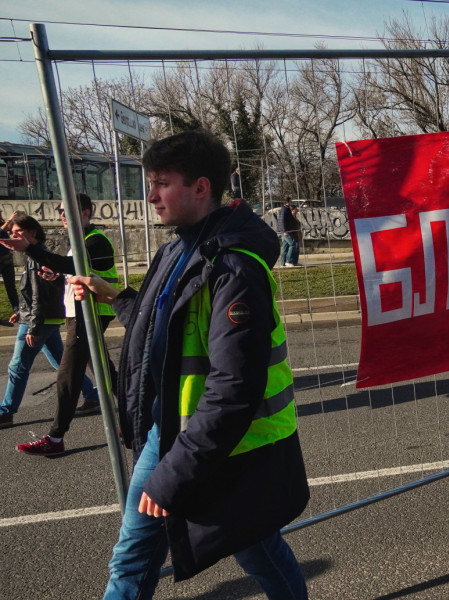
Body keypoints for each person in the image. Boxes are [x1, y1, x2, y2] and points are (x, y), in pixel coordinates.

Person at [70, 129, 309, 599]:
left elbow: (232, 388)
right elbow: (163, 325)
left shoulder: (233, 269)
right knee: (241, 546)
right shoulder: (178, 248)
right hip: (176, 433)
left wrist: (172, 475)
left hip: (212, 446)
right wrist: (117, 296)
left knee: (221, 550)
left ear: (201, 188)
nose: (151, 195)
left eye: (161, 183)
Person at [1, 192, 119, 455]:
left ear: (86, 214)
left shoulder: (95, 240)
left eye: (66, 211)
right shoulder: (79, 241)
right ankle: (135, 417)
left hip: (91, 312)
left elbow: (71, 265)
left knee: (67, 374)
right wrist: (57, 278)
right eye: (60, 211)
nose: (61, 216)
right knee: (103, 369)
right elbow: (73, 271)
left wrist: (30, 249)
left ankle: (55, 438)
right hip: (81, 311)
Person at [0, 215, 97, 429]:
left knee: (17, 366)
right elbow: (34, 294)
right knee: (62, 362)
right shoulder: (35, 256)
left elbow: (39, 296)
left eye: (17, 232)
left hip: (39, 320)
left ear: (32, 233)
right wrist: (21, 312)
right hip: (43, 318)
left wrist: (33, 326)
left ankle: (5, 412)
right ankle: (92, 396)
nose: (13, 236)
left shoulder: (37, 257)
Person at [0, 210, 20, 317]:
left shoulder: (2, 223)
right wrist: (9, 220)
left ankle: (17, 310)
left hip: (6, 259)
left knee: (11, 287)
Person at [277, 198, 298, 267]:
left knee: (285, 247)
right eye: (290, 201)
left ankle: (282, 264)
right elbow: (282, 221)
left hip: (285, 230)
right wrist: (285, 231)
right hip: (285, 231)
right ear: (287, 202)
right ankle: (288, 261)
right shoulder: (285, 209)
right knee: (292, 244)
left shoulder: (284, 209)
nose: (291, 202)